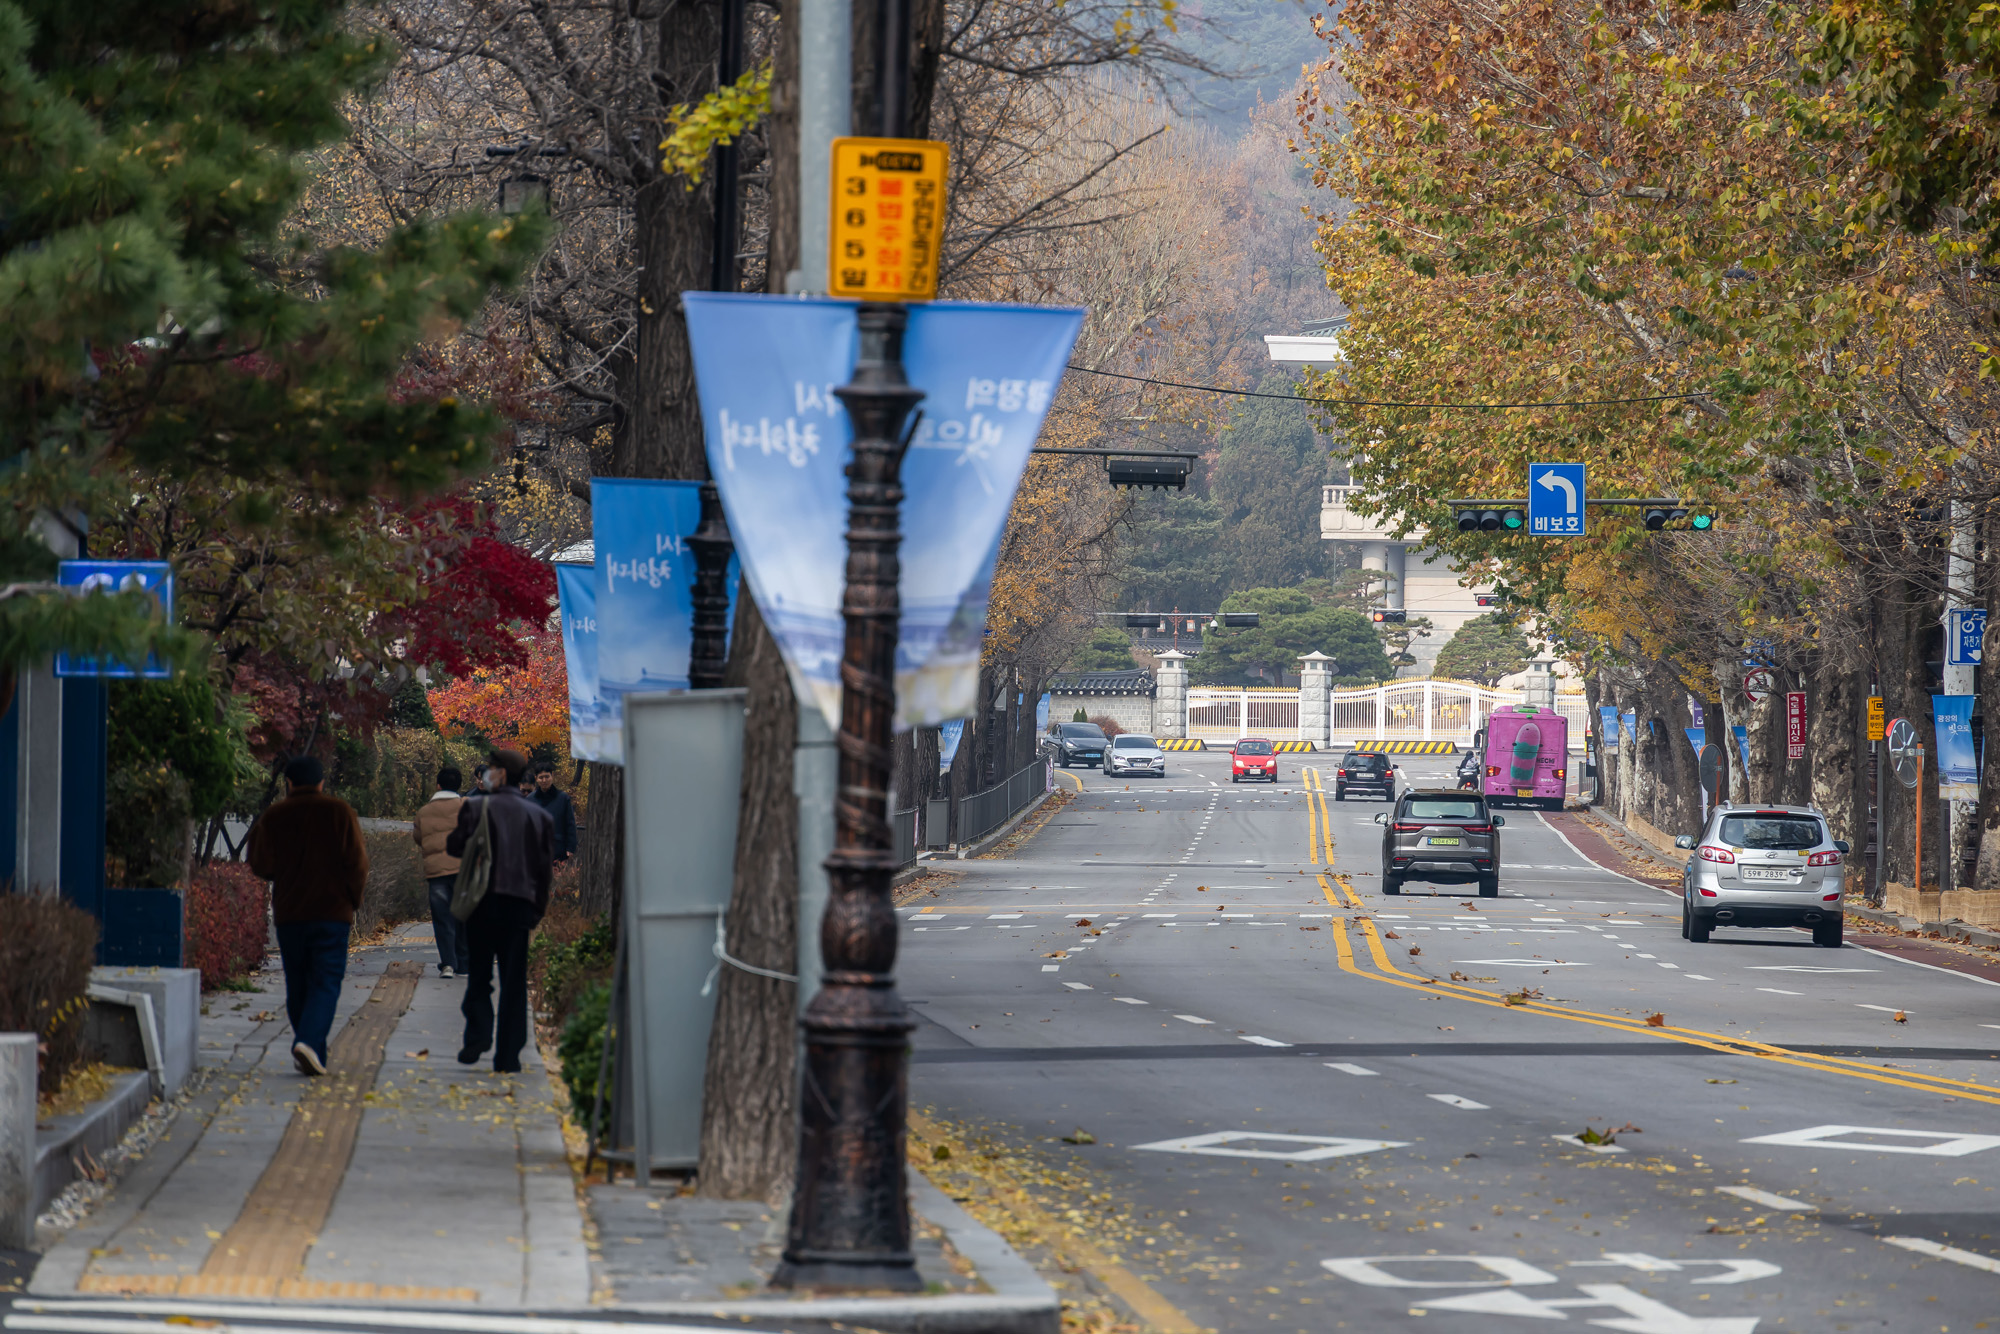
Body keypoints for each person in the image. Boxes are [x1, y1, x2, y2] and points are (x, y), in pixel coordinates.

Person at [248, 755, 369, 1077]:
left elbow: (260, 863)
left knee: (298, 982)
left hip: (291, 912)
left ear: (288, 783)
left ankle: (310, 1046)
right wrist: (352, 900)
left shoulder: (275, 815)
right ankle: (309, 1043)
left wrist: (283, 873)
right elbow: (357, 862)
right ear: (321, 782)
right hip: (332, 912)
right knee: (326, 981)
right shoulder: (339, 812)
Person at [447, 748, 554, 1073]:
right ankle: (508, 1055)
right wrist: (537, 909)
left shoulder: (475, 807)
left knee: (479, 973)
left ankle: (478, 1035)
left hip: (482, 903)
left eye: (491, 768)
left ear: (502, 773)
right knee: (513, 980)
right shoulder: (539, 817)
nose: (487, 774)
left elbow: (454, 846)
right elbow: (543, 871)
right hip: (519, 905)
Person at [412, 767, 469, 977]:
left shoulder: (424, 812)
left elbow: (418, 838)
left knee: (443, 918)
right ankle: (464, 964)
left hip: (437, 873)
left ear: (438, 786)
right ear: (459, 786)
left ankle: (448, 964)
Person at [529, 765, 578, 864]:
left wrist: (570, 847)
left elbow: (570, 823)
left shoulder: (563, 798)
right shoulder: (530, 800)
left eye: (547, 777)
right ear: (536, 779)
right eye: (541, 777)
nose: (544, 780)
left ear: (552, 776)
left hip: (558, 849)